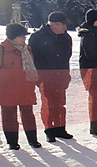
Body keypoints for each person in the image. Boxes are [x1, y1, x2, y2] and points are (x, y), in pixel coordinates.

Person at [0, 24, 41, 150]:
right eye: (21, 35)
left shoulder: (27, 50)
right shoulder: (1, 49)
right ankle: (12, 142)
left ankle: (33, 139)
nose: (24, 38)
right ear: (13, 36)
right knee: (9, 115)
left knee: (28, 113)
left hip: (25, 87)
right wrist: (2, 81)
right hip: (8, 89)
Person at [29, 11, 73, 143]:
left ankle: (60, 128)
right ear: (54, 24)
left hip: (61, 75)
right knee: (48, 104)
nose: (66, 28)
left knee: (60, 103)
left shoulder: (66, 37)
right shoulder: (37, 37)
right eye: (63, 25)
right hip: (45, 76)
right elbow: (33, 58)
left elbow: (67, 56)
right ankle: (49, 130)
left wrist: (66, 74)